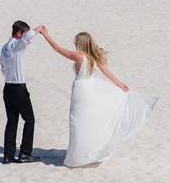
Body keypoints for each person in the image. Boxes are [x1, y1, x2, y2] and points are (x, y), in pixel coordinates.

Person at [36, 26, 157, 167]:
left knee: (77, 122)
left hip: (81, 90)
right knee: (86, 121)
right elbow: (106, 71)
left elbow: (57, 49)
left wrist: (46, 35)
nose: (75, 44)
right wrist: (119, 84)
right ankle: (86, 152)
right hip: (90, 88)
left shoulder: (79, 56)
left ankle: (78, 156)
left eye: (76, 42)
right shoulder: (92, 56)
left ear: (81, 43)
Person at [0, 20, 44, 164]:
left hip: (7, 87)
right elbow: (27, 38)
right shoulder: (17, 46)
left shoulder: (4, 48)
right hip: (18, 88)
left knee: (12, 121)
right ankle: (25, 153)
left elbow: (3, 68)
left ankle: (8, 155)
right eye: (23, 33)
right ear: (19, 33)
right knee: (29, 120)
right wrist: (38, 29)